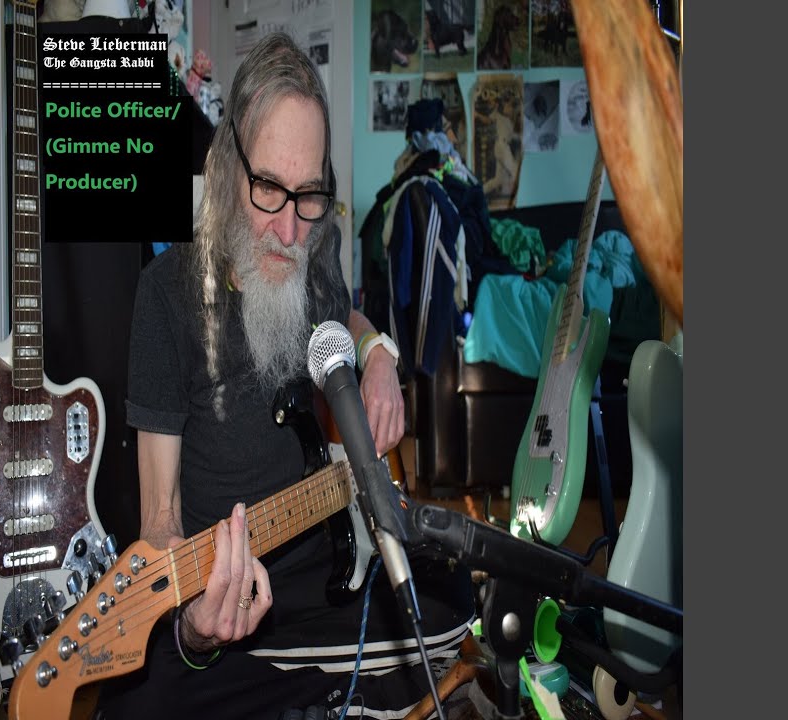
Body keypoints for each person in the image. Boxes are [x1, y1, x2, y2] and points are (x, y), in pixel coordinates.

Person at [95, 32, 476, 720]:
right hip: (229, 594)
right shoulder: (166, 295)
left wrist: (378, 355)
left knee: (458, 601)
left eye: (309, 196)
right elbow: (159, 525)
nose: (290, 231)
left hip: (332, 571)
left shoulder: (315, 251)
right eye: (269, 188)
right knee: (141, 703)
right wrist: (195, 625)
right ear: (225, 165)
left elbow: (344, 312)